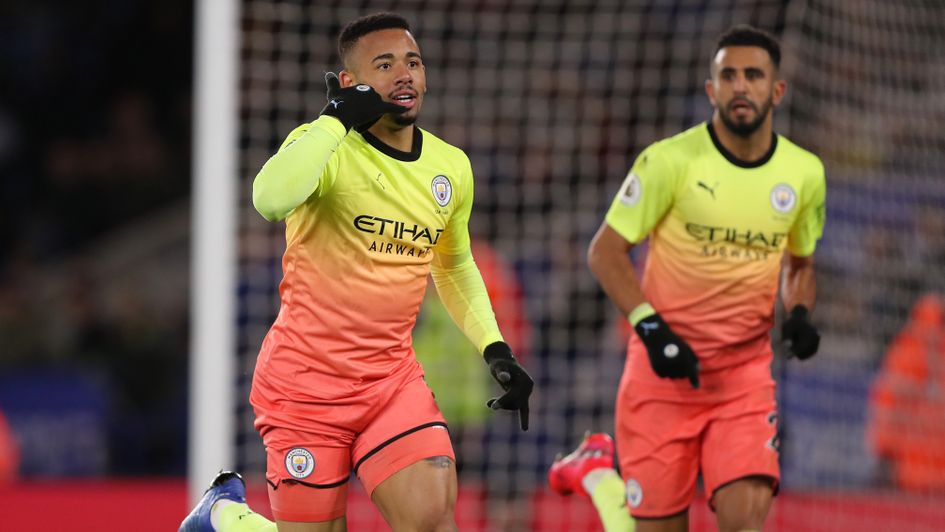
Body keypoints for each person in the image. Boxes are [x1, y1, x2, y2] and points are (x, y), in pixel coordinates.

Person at [180, 12, 533, 532]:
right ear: (351, 82)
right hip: (305, 387)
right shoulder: (324, 145)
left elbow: (454, 265)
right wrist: (333, 118)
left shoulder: (450, 166)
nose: (404, 75)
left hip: (390, 382)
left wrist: (495, 347)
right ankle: (226, 516)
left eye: (412, 62)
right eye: (385, 64)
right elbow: (268, 199)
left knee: (434, 522)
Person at [548, 25, 825, 532]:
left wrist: (801, 312)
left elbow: (801, 266)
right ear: (711, 90)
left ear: (777, 91)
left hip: (742, 380)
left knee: (745, 521)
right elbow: (605, 253)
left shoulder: (803, 174)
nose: (741, 86)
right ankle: (597, 476)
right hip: (661, 378)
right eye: (729, 76)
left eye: (754, 75)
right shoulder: (668, 162)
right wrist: (653, 331)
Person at [869, 293, 945, 493]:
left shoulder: (905, 350)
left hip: (911, 472)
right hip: (919, 472)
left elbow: (886, 403)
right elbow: (889, 402)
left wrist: (883, 446)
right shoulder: (907, 351)